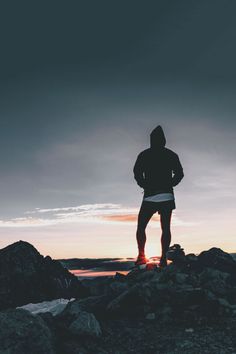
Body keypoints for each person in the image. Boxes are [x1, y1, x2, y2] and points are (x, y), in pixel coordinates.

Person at [133, 125, 184, 267]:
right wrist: (170, 184)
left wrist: (144, 185)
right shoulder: (171, 155)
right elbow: (180, 173)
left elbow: (137, 173)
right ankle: (163, 259)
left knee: (141, 227)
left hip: (150, 196)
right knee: (166, 228)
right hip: (167, 196)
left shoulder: (144, 155)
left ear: (151, 140)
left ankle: (141, 257)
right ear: (164, 140)